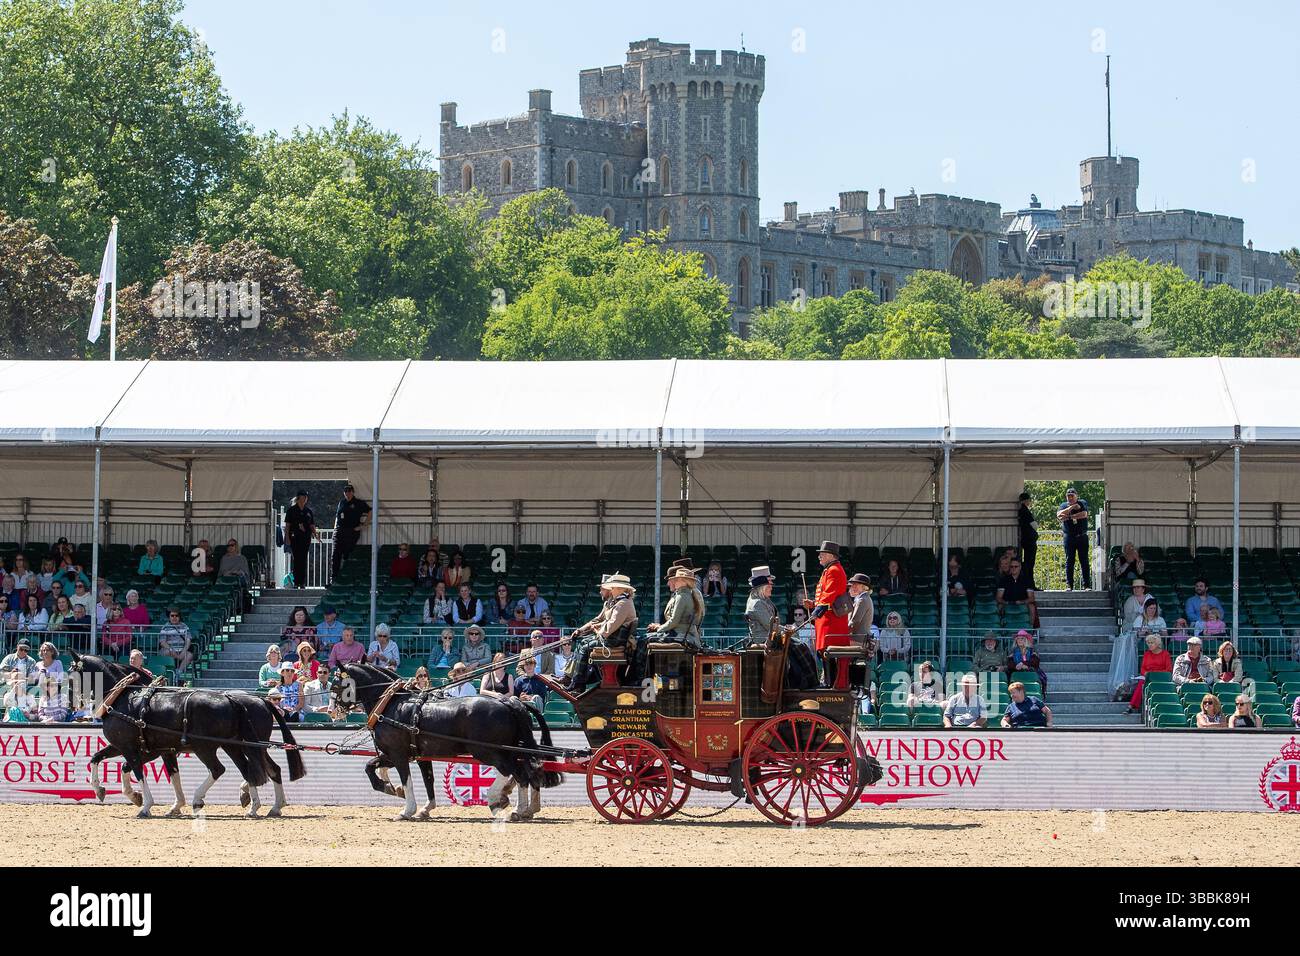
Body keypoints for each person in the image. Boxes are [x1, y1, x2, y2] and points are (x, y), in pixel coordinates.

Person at [567, 573, 638, 690]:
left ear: (620, 589)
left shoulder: (623, 604)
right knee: (584, 643)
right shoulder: (617, 602)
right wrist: (587, 629)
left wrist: (598, 630)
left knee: (585, 646)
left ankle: (578, 683)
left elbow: (609, 628)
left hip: (614, 642)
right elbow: (604, 621)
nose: (611, 589)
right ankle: (575, 679)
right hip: (612, 639)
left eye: (613, 587)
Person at [804, 541, 850, 685]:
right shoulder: (829, 570)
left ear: (831, 555)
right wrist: (814, 604)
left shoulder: (834, 570)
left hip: (831, 621)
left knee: (827, 653)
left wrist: (818, 608)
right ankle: (830, 682)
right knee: (824, 653)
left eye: (822, 554)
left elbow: (830, 593)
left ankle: (831, 683)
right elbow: (827, 596)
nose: (819, 557)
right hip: (826, 620)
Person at [332, 484, 371, 581]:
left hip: (351, 531)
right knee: (335, 555)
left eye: (349, 491)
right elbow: (338, 516)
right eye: (346, 491)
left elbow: (370, 511)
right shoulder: (342, 502)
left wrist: (364, 525)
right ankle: (334, 578)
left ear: (353, 492)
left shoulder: (358, 503)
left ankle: (346, 579)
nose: (347, 493)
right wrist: (335, 529)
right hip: (339, 531)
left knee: (347, 555)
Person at [1056, 487, 1092, 590]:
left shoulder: (1082, 503)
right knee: (1069, 560)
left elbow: (1084, 514)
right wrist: (1070, 508)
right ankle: (1069, 585)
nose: (1070, 498)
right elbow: (1059, 515)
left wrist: (1069, 517)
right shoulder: (1063, 505)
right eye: (1068, 496)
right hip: (1069, 537)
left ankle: (1086, 585)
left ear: (1077, 496)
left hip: (1082, 536)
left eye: (1072, 496)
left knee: (1084, 560)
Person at [1128, 634, 1173, 713]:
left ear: (1157, 644)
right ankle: (1132, 706)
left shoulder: (1165, 654)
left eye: (1152, 643)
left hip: (1161, 677)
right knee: (1141, 683)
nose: (1149, 645)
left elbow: (1168, 669)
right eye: (1148, 643)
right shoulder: (1147, 654)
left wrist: (1155, 673)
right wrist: (1145, 673)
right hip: (1148, 676)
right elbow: (1143, 668)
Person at [284, 490, 318, 588]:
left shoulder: (308, 511)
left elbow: (312, 525)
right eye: (302, 497)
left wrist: (315, 534)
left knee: (303, 559)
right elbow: (288, 525)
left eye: (305, 497)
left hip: (305, 538)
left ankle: (302, 582)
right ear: (298, 498)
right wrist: (287, 538)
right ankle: (296, 581)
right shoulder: (291, 510)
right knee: (297, 559)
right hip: (294, 537)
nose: (304, 499)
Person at [744, 566, 780, 645]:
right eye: (769, 584)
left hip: (772, 639)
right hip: (765, 641)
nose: (772, 587)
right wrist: (790, 630)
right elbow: (770, 627)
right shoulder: (757, 603)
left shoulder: (765, 600)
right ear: (763, 588)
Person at [845, 573, 876, 658]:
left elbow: (854, 622)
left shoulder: (862, 600)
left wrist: (842, 633)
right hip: (859, 638)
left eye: (856, 584)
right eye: (852, 584)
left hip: (857, 639)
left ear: (864, 587)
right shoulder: (864, 598)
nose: (852, 587)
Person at [158, 608, 192, 674]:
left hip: (181, 650)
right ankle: (170, 672)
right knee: (166, 652)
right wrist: (171, 650)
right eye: (172, 616)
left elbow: (188, 640)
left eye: (176, 616)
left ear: (179, 617)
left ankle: (179, 672)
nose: (174, 617)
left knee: (189, 655)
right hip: (169, 650)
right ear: (169, 617)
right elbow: (162, 642)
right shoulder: (165, 627)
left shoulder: (184, 626)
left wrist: (183, 651)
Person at [1017, 491, 1038, 584]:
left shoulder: (1021, 511)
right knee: (1029, 562)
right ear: (1026, 501)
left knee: (1028, 562)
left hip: (1026, 540)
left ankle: (1029, 583)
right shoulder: (1025, 511)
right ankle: (1030, 583)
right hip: (1029, 540)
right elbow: (1034, 525)